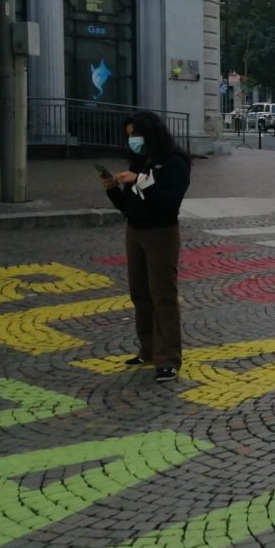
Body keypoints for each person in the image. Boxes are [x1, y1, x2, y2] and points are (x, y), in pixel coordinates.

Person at [101, 111, 192, 383]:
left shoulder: (175, 161)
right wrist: (112, 189)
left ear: (151, 133)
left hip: (161, 233)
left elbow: (169, 201)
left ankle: (168, 359)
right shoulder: (139, 161)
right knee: (139, 292)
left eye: (136, 135)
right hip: (135, 231)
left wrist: (139, 180)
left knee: (162, 294)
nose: (132, 141)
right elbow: (129, 207)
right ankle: (148, 349)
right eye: (129, 136)